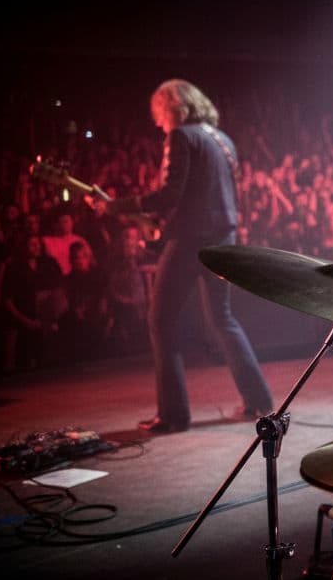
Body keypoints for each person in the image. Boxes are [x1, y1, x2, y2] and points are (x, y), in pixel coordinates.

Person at [105, 79, 273, 433]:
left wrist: (121, 206)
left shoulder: (181, 136)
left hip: (192, 240)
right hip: (223, 237)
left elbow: (169, 195)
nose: (157, 123)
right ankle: (259, 400)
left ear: (172, 108)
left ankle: (173, 415)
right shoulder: (221, 139)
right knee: (223, 318)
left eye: (159, 114)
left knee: (161, 320)